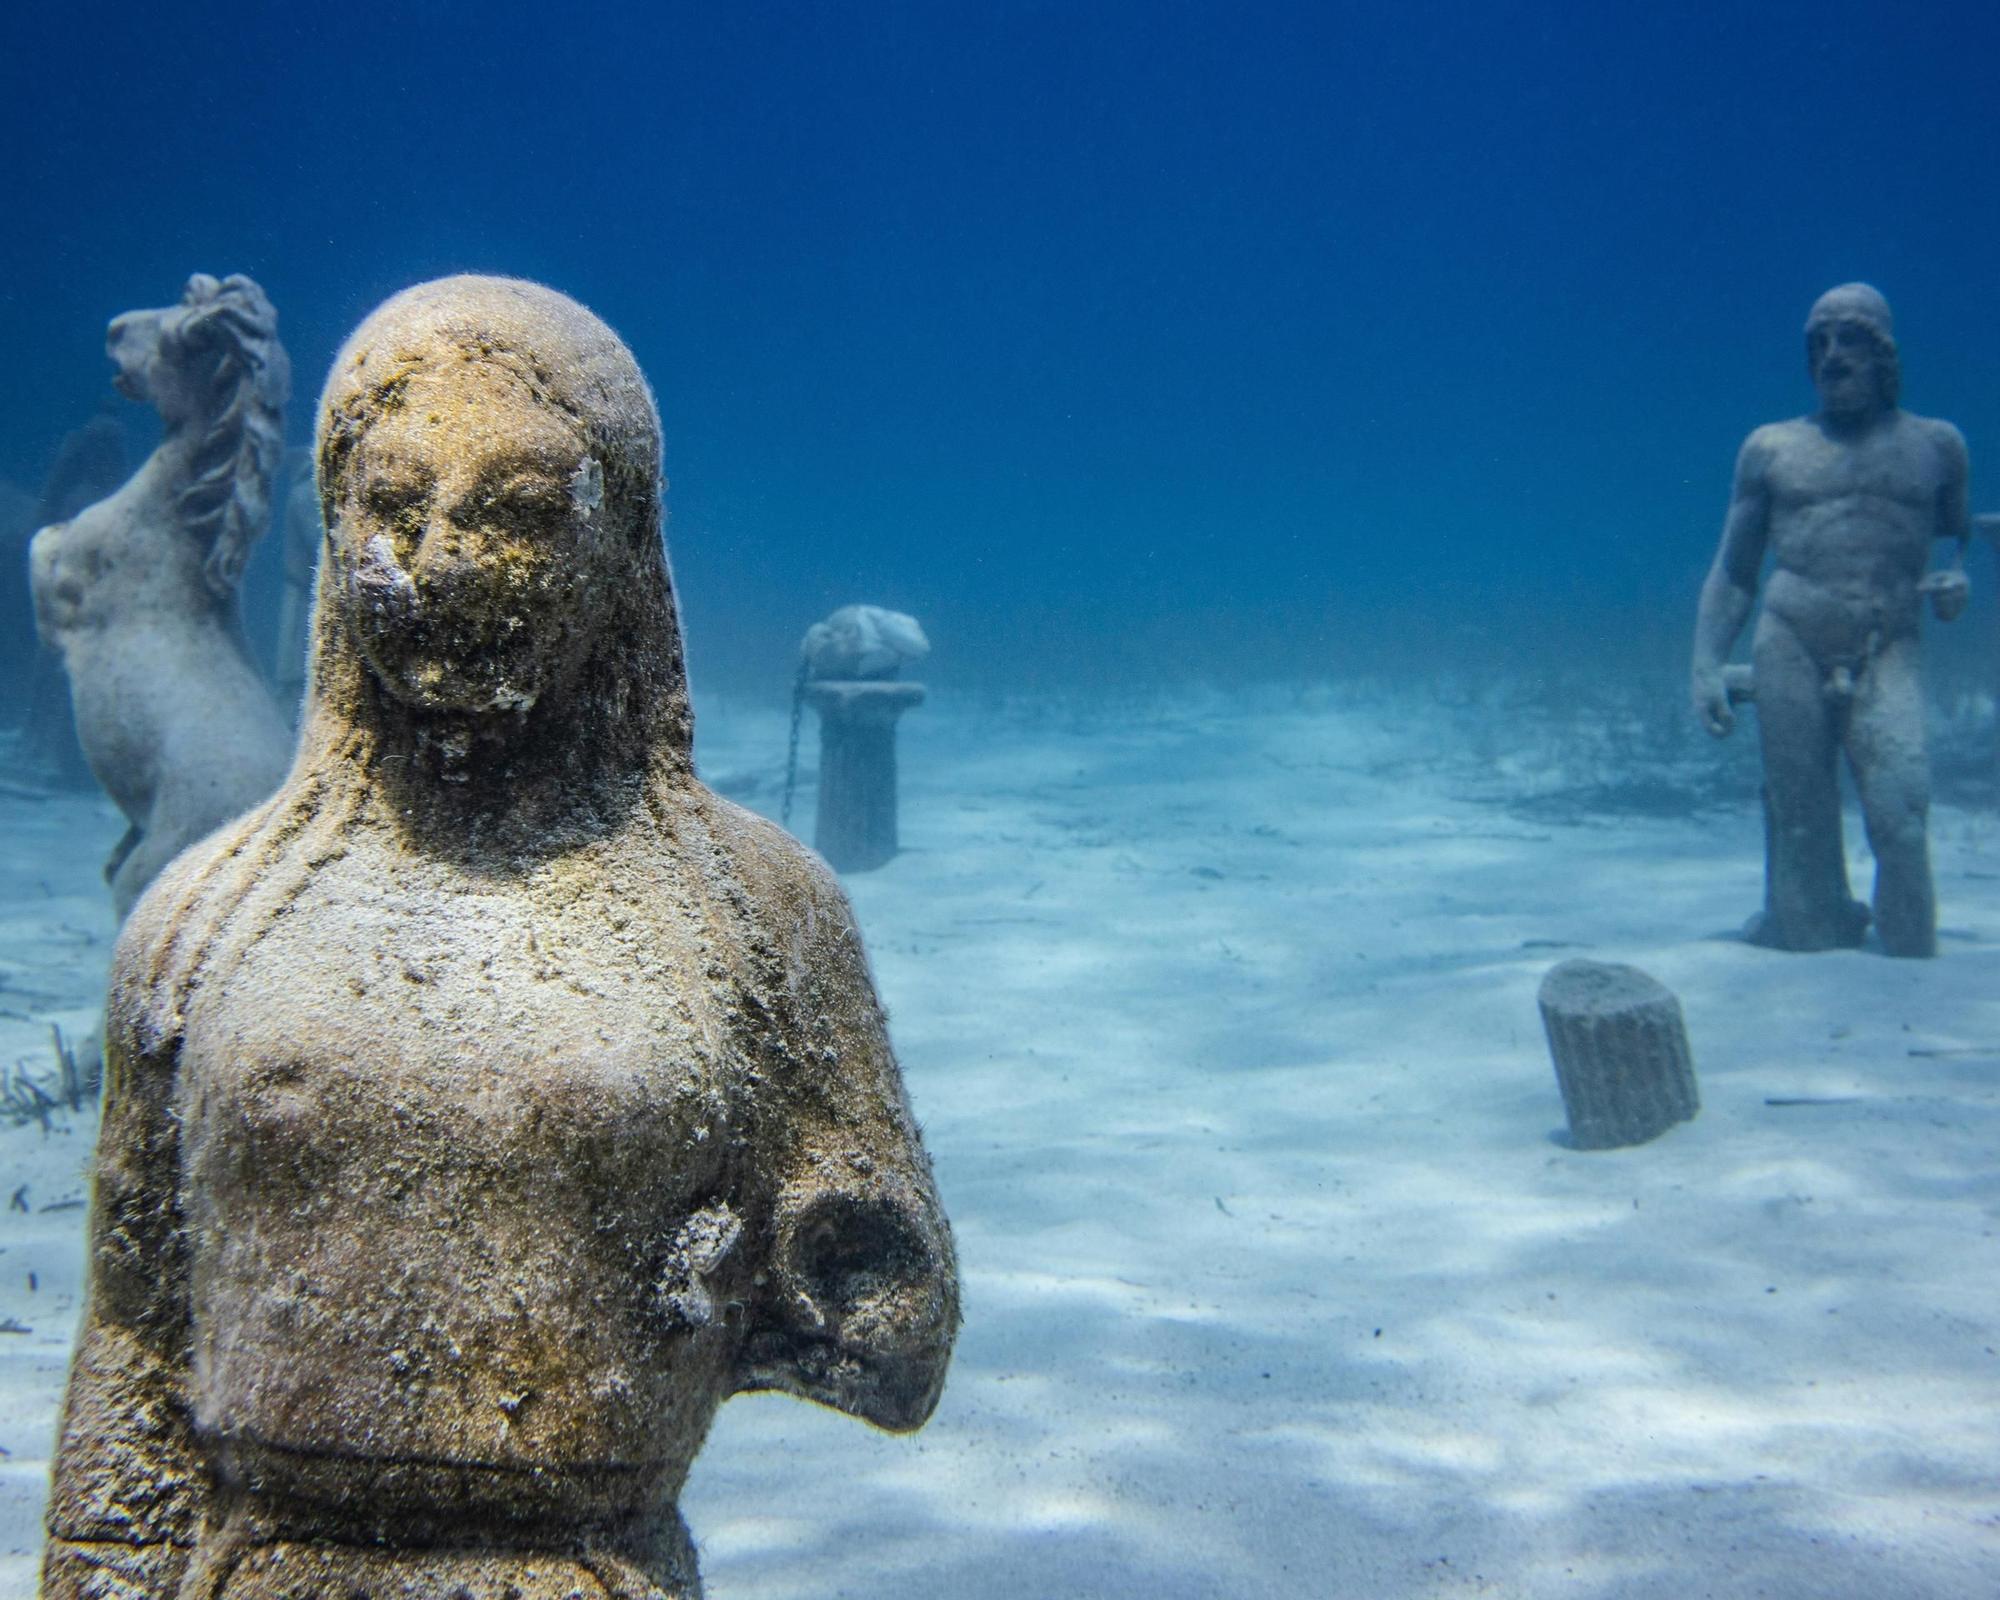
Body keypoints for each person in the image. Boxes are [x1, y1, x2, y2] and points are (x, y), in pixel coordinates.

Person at [1691, 283, 1970, 957]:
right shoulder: (1772, 449)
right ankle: (1810, 922)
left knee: (1901, 818)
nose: (1832, 355)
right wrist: (1704, 662)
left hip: (1887, 646)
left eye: (1849, 339)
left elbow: (1957, 535)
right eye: (1819, 342)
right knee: (1802, 822)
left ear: (1884, 355)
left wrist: (1959, 578)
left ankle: (1899, 941)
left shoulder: (1938, 447)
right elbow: (1734, 569)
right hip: (1790, 639)